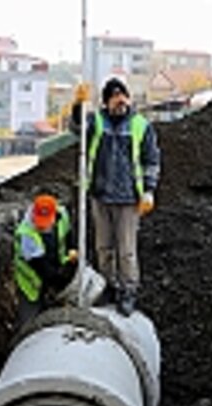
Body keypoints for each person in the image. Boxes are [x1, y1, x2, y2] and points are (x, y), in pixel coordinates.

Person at [72, 78, 161, 316]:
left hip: (129, 199)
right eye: (114, 96)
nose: (120, 100)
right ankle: (108, 286)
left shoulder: (141, 125)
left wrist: (149, 190)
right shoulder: (97, 122)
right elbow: (76, 130)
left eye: (123, 95)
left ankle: (128, 291)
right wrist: (77, 106)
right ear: (106, 101)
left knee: (127, 250)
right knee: (104, 248)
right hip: (100, 195)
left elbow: (151, 160)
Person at [14, 193, 78, 327]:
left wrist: (72, 251)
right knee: (28, 323)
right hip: (32, 283)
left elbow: (69, 236)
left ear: (55, 215)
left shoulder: (63, 215)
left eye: (47, 221)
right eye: (40, 222)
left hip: (54, 267)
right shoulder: (26, 235)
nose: (43, 227)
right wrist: (60, 282)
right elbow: (43, 268)